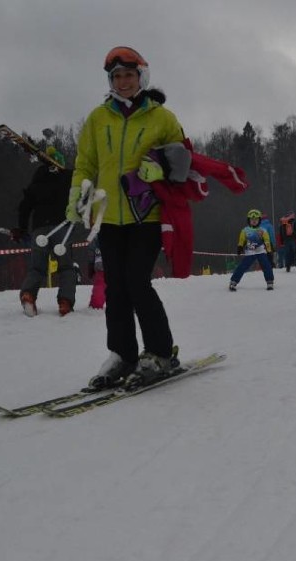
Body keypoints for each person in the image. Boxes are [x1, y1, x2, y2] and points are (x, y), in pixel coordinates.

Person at [67, 45, 187, 390]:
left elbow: (181, 163)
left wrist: (158, 169)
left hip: (146, 216)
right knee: (116, 288)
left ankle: (161, 352)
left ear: (141, 77)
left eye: (129, 75)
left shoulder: (161, 117)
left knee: (137, 281)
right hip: (108, 218)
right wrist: (79, 196)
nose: (122, 82)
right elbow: (85, 164)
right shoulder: (97, 118)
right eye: (116, 76)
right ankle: (123, 354)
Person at [12, 146, 75, 316]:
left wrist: (22, 228)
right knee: (66, 267)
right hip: (61, 228)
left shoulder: (37, 182)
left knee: (37, 268)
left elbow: (24, 206)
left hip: (39, 229)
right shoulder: (68, 178)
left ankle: (28, 295)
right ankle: (65, 301)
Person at [228, 209, 274, 291]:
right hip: (250, 252)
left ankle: (270, 281)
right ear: (248, 220)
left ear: (259, 220)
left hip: (260, 251)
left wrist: (269, 251)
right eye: (252, 220)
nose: (254, 221)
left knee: (266, 265)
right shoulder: (245, 230)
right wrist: (240, 247)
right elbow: (241, 240)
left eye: (256, 220)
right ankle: (233, 282)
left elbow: (267, 241)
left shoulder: (263, 230)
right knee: (242, 266)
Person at [87, 235, 106, 309]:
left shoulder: (97, 234)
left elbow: (91, 249)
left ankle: (96, 304)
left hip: (101, 263)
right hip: (118, 263)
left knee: (100, 285)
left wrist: (91, 264)